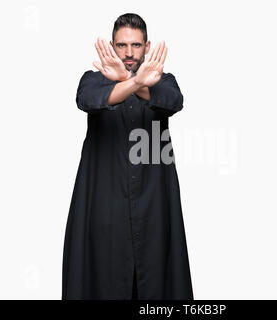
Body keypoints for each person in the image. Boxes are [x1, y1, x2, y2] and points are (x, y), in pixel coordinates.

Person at [62, 13, 194, 300]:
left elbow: (173, 102)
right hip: (103, 206)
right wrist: (129, 82)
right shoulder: (93, 80)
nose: (129, 53)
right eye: (122, 45)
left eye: (136, 45)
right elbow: (88, 100)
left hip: (155, 204)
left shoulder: (164, 82)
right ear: (112, 46)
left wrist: (134, 82)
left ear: (147, 47)